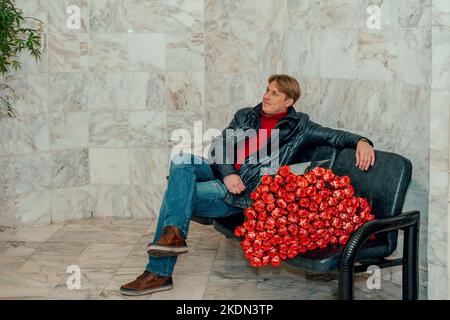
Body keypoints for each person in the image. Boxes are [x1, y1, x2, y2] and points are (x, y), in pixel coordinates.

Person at [120, 74, 376, 296]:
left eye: (275, 93)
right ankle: (172, 238)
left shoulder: (300, 127)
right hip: (221, 173)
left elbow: (336, 135)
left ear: (289, 101)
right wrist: (228, 172)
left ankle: (159, 271)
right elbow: (220, 145)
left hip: (241, 193)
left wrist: (362, 141)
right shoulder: (246, 115)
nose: (266, 96)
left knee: (175, 193)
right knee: (180, 160)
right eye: (267, 89)